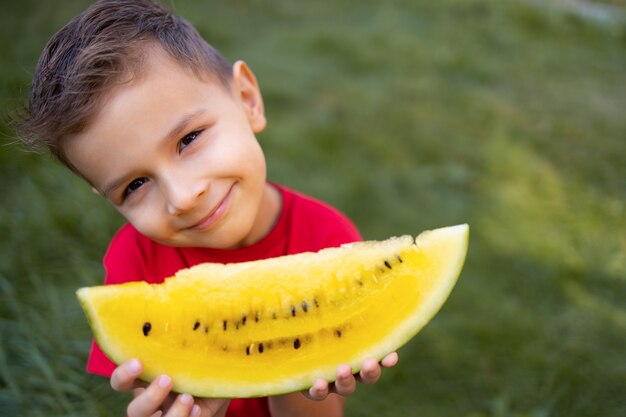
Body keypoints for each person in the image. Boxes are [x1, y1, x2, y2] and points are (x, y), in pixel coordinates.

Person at [15, 0, 398, 416]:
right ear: (108, 198)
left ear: (248, 100)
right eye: (136, 185)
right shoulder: (132, 269)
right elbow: (150, 388)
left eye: (189, 139)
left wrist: (300, 367)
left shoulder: (327, 238)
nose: (182, 197)